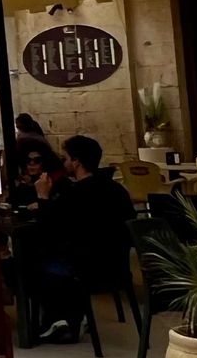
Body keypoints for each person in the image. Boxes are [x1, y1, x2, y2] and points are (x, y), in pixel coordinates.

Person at [27, 135, 136, 343]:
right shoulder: (117, 190)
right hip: (116, 266)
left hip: (85, 268)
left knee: (32, 265)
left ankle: (59, 320)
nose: (64, 163)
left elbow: (49, 229)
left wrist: (42, 196)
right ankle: (69, 317)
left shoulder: (75, 194)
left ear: (76, 161)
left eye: (66, 158)